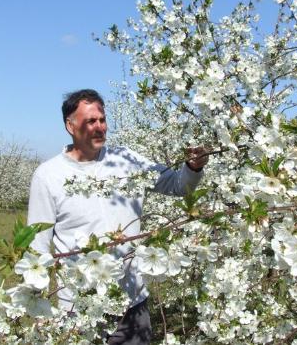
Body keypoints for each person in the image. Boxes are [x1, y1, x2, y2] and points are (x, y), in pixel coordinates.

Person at [27, 89, 208, 345]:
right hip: (80, 308)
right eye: (91, 121)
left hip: (132, 304)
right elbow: (38, 244)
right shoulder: (48, 176)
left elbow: (177, 185)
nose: (100, 127)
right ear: (70, 125)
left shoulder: (125, 160)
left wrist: (193, 167)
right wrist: (37, 300)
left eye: (102, 119)